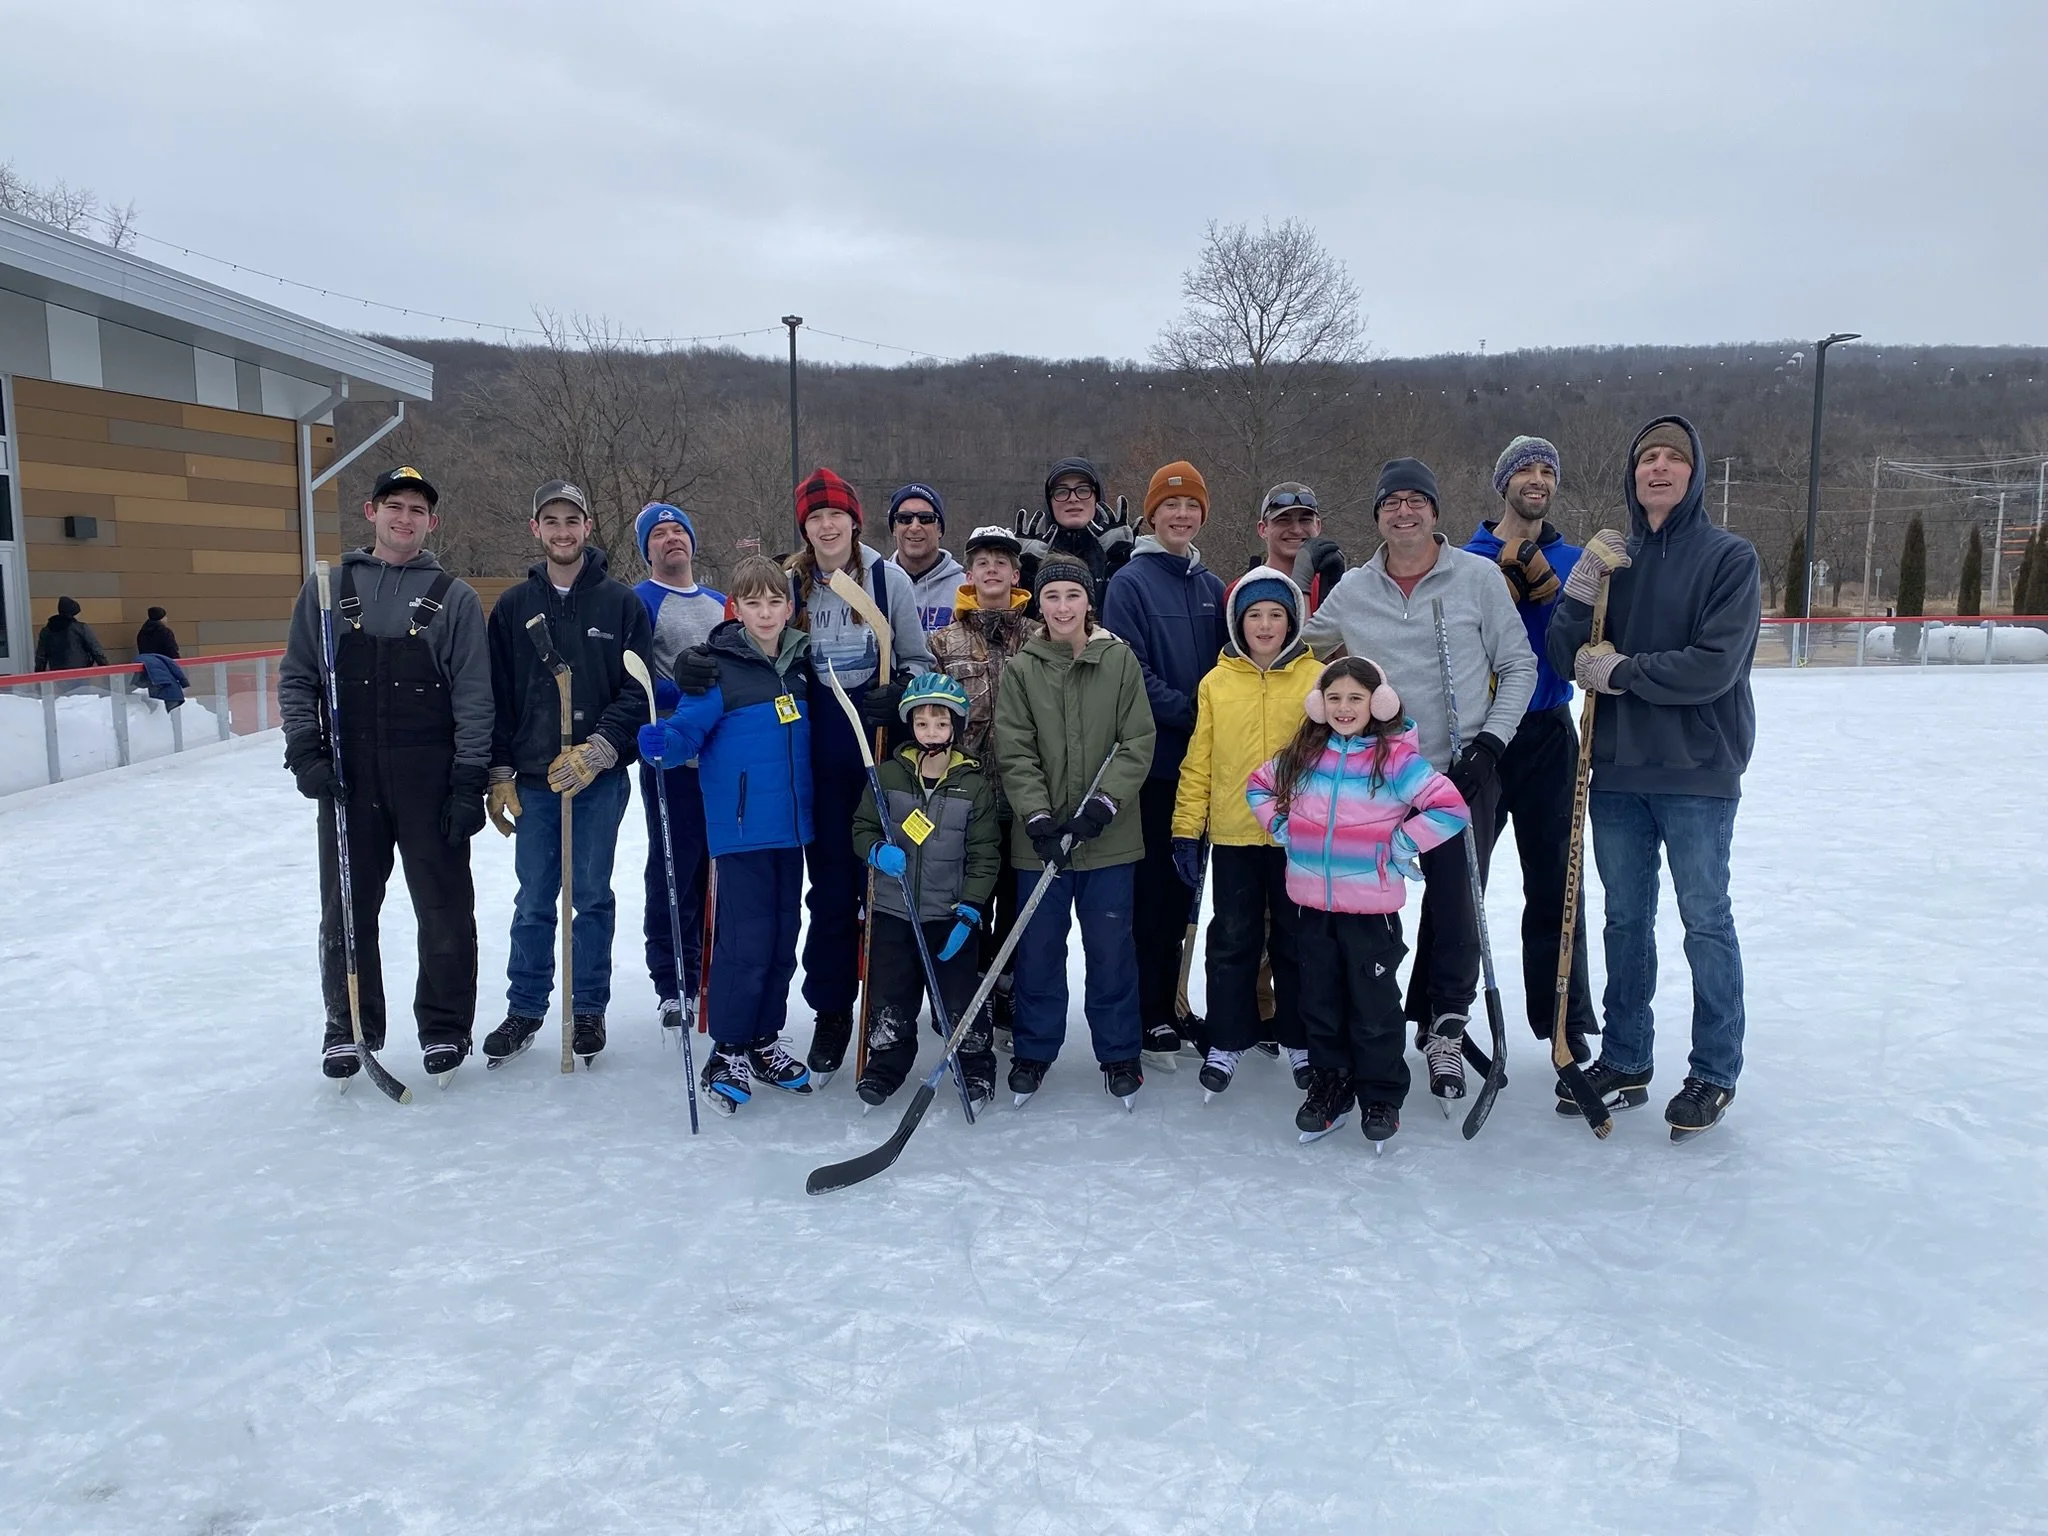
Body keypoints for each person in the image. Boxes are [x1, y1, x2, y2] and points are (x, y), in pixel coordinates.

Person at [1546, 415, 1761, 1140]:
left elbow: (1713, 665)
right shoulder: (1615, 560)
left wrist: (1626, 673)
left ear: (1695, 472)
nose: (1659, 468)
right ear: (1631, 474)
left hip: (1697, 767)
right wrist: (1577, 591)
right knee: (1625, 919)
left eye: (1674, 458)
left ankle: (1713, 1070)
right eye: (1647, 458)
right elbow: (1564, 654)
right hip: (1615, 768)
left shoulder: (1729, 557)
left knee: (1705, 920)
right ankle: (1628, 1057)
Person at [1301, 457, 1535, 1106]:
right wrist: (1298, 582)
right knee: (1366, 907)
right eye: (1390, 503)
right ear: (1377, 515)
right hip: (1378, 779)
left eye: (1416, 501)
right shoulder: (1352, 591)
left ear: (1435, 512)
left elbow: (1518, 666)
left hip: (1462, 772)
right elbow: (1293, 652)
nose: (1404, 512)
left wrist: (1490, 745)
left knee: (1458, 903)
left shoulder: (1478, 579)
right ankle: (1370, 1018)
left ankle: (1445, 1026)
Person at [277, 465, 492, 1082]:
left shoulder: (455, 597)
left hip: (430, 772)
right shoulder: (324, 588)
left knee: (445, 908)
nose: (405, 519)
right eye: (393, 506)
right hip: (349, 774)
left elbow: (474, 696)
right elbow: (298, 678)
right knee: (346, 907)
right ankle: (349, 1027)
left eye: (417, 510)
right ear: (371, 512)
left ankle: (445, 1029)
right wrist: (306, 753)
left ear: (433, 522)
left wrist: (468, 780)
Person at [1248, 657, 1469, 1146]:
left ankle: (1381, 1095)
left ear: (1379, 702)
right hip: (1310, 905)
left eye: (1355, 698)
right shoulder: (1305, 753)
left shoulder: (1394, 759)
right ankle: (1331, 1084)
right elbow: (1259, 785)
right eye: (1334, 698)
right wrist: (1283, 828)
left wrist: (1400, 844)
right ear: (1319, 704)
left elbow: (1449, 806)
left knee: (1373, 1010)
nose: (1344, 708)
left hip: (1370, 912)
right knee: (1320, 1004)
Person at [637, 555, 818, 1110]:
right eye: (754, 603)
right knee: (743, 943)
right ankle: (730, 1045)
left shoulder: (801, 666)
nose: (766, 613)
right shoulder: (718, 668)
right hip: (741, 830)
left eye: (775, 602)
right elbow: (690, 730)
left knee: (783, 937)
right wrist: (665, 742)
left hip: (792, 830)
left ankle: (764, 1038)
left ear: (790, 608)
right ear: (735, 609)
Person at [481, 480, 651, 1069]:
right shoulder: (511, 607)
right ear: (536, 528)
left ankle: (588, 1007)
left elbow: (637, 691)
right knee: (533, 900)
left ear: (588, 526)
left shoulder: (621, 604)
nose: (561, 530)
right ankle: (525, 1007)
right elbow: (496, 695)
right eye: (550, 520)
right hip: (532, 780)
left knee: (591, 897)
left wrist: (600, 749)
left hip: (597, 781)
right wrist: (499, 770)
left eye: (571, 520)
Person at [774, 467, 932, 1080]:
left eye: (835, 515)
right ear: (805, 526)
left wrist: (901, 693)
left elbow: (918, 661)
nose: (826, 525)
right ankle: (832, 1008)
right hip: (817, 760)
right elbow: (764, 649)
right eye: (814, 518)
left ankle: (891, 1011)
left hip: (880, 757)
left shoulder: (887, 580)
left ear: (854, 519)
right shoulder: (792, 583)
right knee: (833, 893)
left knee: (888, 891)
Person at [995, 556, 1156, 1107]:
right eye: (1052, 596)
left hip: (1107, 839)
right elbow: (1014, 748)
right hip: (1039, 843)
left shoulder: (1119, 661)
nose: (1063, 607)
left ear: (1089, 602)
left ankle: (1119, 1053)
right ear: (1037, 604)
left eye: (1072, 595)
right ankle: (1034, 1051)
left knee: (1111, 948)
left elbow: (1137, 740)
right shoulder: (1022, 668)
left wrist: (1104, 805)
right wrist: (1037, 816)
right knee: (1038, 950)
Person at [1460, 436, 1599, 1064]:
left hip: (1548, 730)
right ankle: (1445, 1014)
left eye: (1547, 469)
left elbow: (1595, 640)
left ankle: (1563, 1022)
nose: (1537, 479)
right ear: (1503, 483)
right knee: (1461, 878)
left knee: (1558, 881)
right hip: (1480, 734)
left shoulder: (1575, 560)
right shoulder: (1466, 557)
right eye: (1524, 470)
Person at [1170, 565, 1322, 1097]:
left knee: (1294, 940)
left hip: (1296, 838)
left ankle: (1300, 1038)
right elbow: (1199, 762)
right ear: (1238, 622)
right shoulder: (1217, 682)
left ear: (1292, 622)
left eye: (1275, 615)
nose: (1264, 625)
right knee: (1232, 939)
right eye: (1254, 614)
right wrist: (1187, 830)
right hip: (1234, 834)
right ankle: (1228, 1038)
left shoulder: (1315, 680)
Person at [1101, 460, 1226, 1067]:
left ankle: (1175, 1002)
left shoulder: (1213, 587)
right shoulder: (1130, 582)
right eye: (1170, 506)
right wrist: (1202, 715)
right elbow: (1134, 675)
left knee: (1187, 895)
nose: (1181, 515)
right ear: (1152, 515)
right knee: (1151, 896)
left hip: (1206, 774)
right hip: (1156, 768)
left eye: (1192, 506)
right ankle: (1148, 1011)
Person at [849, 673, 1002, 1108]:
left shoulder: (973, 784)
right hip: (895, 913)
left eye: (940, 722)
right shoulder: (888, 775)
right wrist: (877, 850)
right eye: (921, 723)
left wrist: (971, 909)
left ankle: (973, 1067)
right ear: (909, 725)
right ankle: (886, 1065)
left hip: (948, 916)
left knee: (957, 1000)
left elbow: (985, 853)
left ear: (956, 725)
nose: (931, 732)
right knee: (891, 994)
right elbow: (862, 827)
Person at [928, 525, 1042, 1039]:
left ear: (1016, 574)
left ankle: (1006, 986)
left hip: (1024, 797)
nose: (992, 569)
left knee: (1018, 904)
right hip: (965, 798)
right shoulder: (943, 641)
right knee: (969, 900)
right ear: (968, 574)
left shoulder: (1041, 637)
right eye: (982, 562)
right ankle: (964, 991)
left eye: (1002, 561)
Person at [631, 501, 725, 1035]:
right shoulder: (640, 601)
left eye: (678, 531)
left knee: (719, 872)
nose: (672, 539)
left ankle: (713, 968)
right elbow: (635, 679)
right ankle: (674, 982)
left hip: (722, 760)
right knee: (673, 869)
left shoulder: (719, 602)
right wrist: (684, 685)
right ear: (647, 548)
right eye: (660, 534)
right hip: (672, 758)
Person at [1014, 456, 1137, 596]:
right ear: (1050, 503)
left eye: (1083, 490)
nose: (1073, 498)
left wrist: (1120, 560)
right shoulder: (1034, 555)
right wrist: (1027, 572)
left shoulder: (1130, 552)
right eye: (1061, 491)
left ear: (1097, 496)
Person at [1224, 483, 1345, 615]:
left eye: (1305, 520)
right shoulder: (1240, 590)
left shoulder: (1336, 587)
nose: (1296, 530)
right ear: (1263, 529)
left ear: (1318, 526)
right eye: (1283, 520)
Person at [885, 482, 965, 633]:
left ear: (940, 529)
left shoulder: (966, 589)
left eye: (926, 518)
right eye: (904, 518)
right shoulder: (876, 584)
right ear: (894, 528)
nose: (914, 527)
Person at [34, 596, 108, 672]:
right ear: (74, 614)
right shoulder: (81, 628)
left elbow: (41, 657)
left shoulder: (47, 630)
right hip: (80, 672)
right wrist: (107, 670)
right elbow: (96, 651)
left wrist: (38, 678)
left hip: (57, 673)